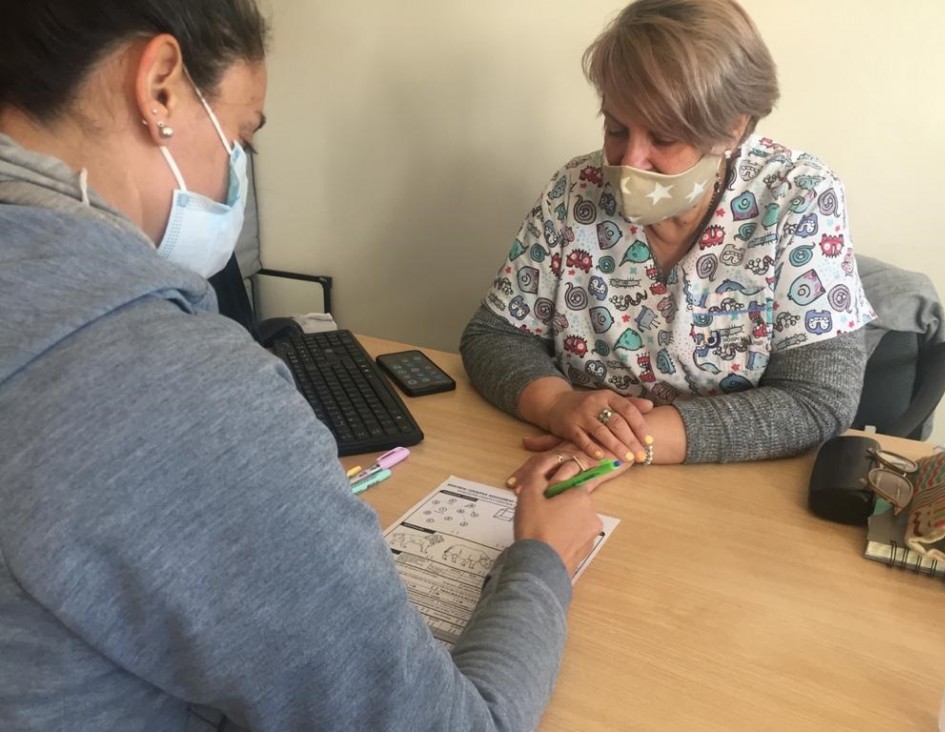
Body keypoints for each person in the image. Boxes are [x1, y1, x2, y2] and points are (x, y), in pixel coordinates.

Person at [0, 2, 602, 730]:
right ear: (159, 86)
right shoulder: (170, 386)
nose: (234, 177)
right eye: (242, 138)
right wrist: (542, 561)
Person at [460, 0, 875, 486]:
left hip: (721, 494)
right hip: (572, 470)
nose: (630, 160)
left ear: (732, 127)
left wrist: (627, 444)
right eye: (617, 128)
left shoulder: (798, 196)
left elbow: (818, 399)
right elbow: (494, 337)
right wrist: (559, 403)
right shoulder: (575, 190)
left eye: (663, 136)